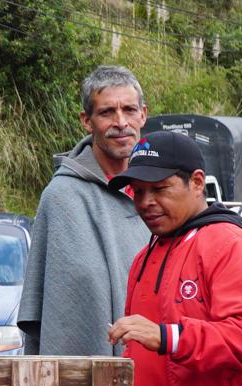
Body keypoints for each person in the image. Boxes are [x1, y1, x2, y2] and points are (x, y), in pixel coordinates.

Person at [105, 131, 242, 386]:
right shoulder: (146, 256)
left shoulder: (229, 243)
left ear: (197, 183)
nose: (145, 203)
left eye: (159, 189)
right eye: (138, 192)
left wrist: (167, 336)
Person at [19, 65, 152, 365]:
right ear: (86, 121)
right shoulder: (62, 197)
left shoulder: (159, 190)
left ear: (143, 114)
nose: (121, 122)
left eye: (129, 110)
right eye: (107, 112)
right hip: (90, 373)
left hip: (156, 364)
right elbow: (64, 304)